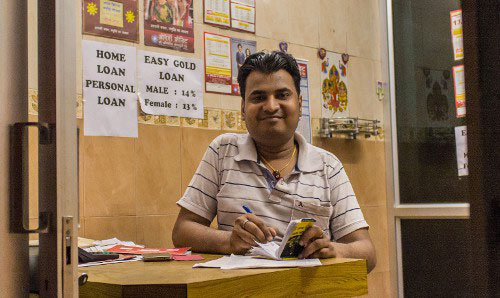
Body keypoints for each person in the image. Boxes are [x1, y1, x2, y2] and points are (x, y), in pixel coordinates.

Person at [172, 51, 376, 272]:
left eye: (282, 95)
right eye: (258, 97)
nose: (270, 106)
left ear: (298, 103)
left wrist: (334, 250)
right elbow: (182, 231)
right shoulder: (222, 152)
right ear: (242, 108)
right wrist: (228, 241)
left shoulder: (328, 166)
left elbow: (368, 253)